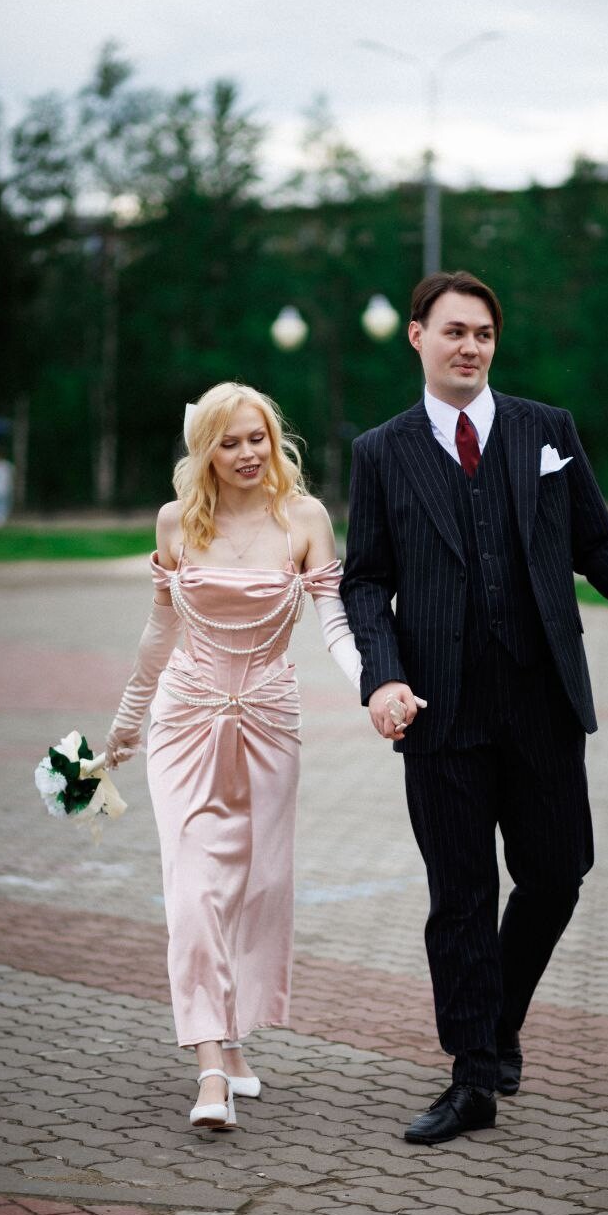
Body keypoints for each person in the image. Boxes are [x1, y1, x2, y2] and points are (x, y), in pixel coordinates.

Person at [340, 270, 608, 1146]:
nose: (469, 346)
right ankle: (472, 1076)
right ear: (417, 337)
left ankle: (498, 1016)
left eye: (482, 333)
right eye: (454, 331)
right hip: (438, 710)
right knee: (461, 897)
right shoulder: (380, 451)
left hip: (541, 698)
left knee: (556, 873)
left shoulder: (547, 430)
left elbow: (597, 542)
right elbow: (365, 581)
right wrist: (381, 677)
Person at [105, 382, 360, 1131]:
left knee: (256, 889)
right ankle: (210, 1067)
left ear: (274, 442)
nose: (247, 453)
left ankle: (236, 1037)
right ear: (205, 450)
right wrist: (125, 724)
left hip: (270, 724)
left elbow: (335, 625)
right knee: (193, 891)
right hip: (183, 722)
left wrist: (377, 687)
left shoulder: (305, 519)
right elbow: (159, 633)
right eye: (229, 442)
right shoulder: (176, 522)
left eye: (257, 439)